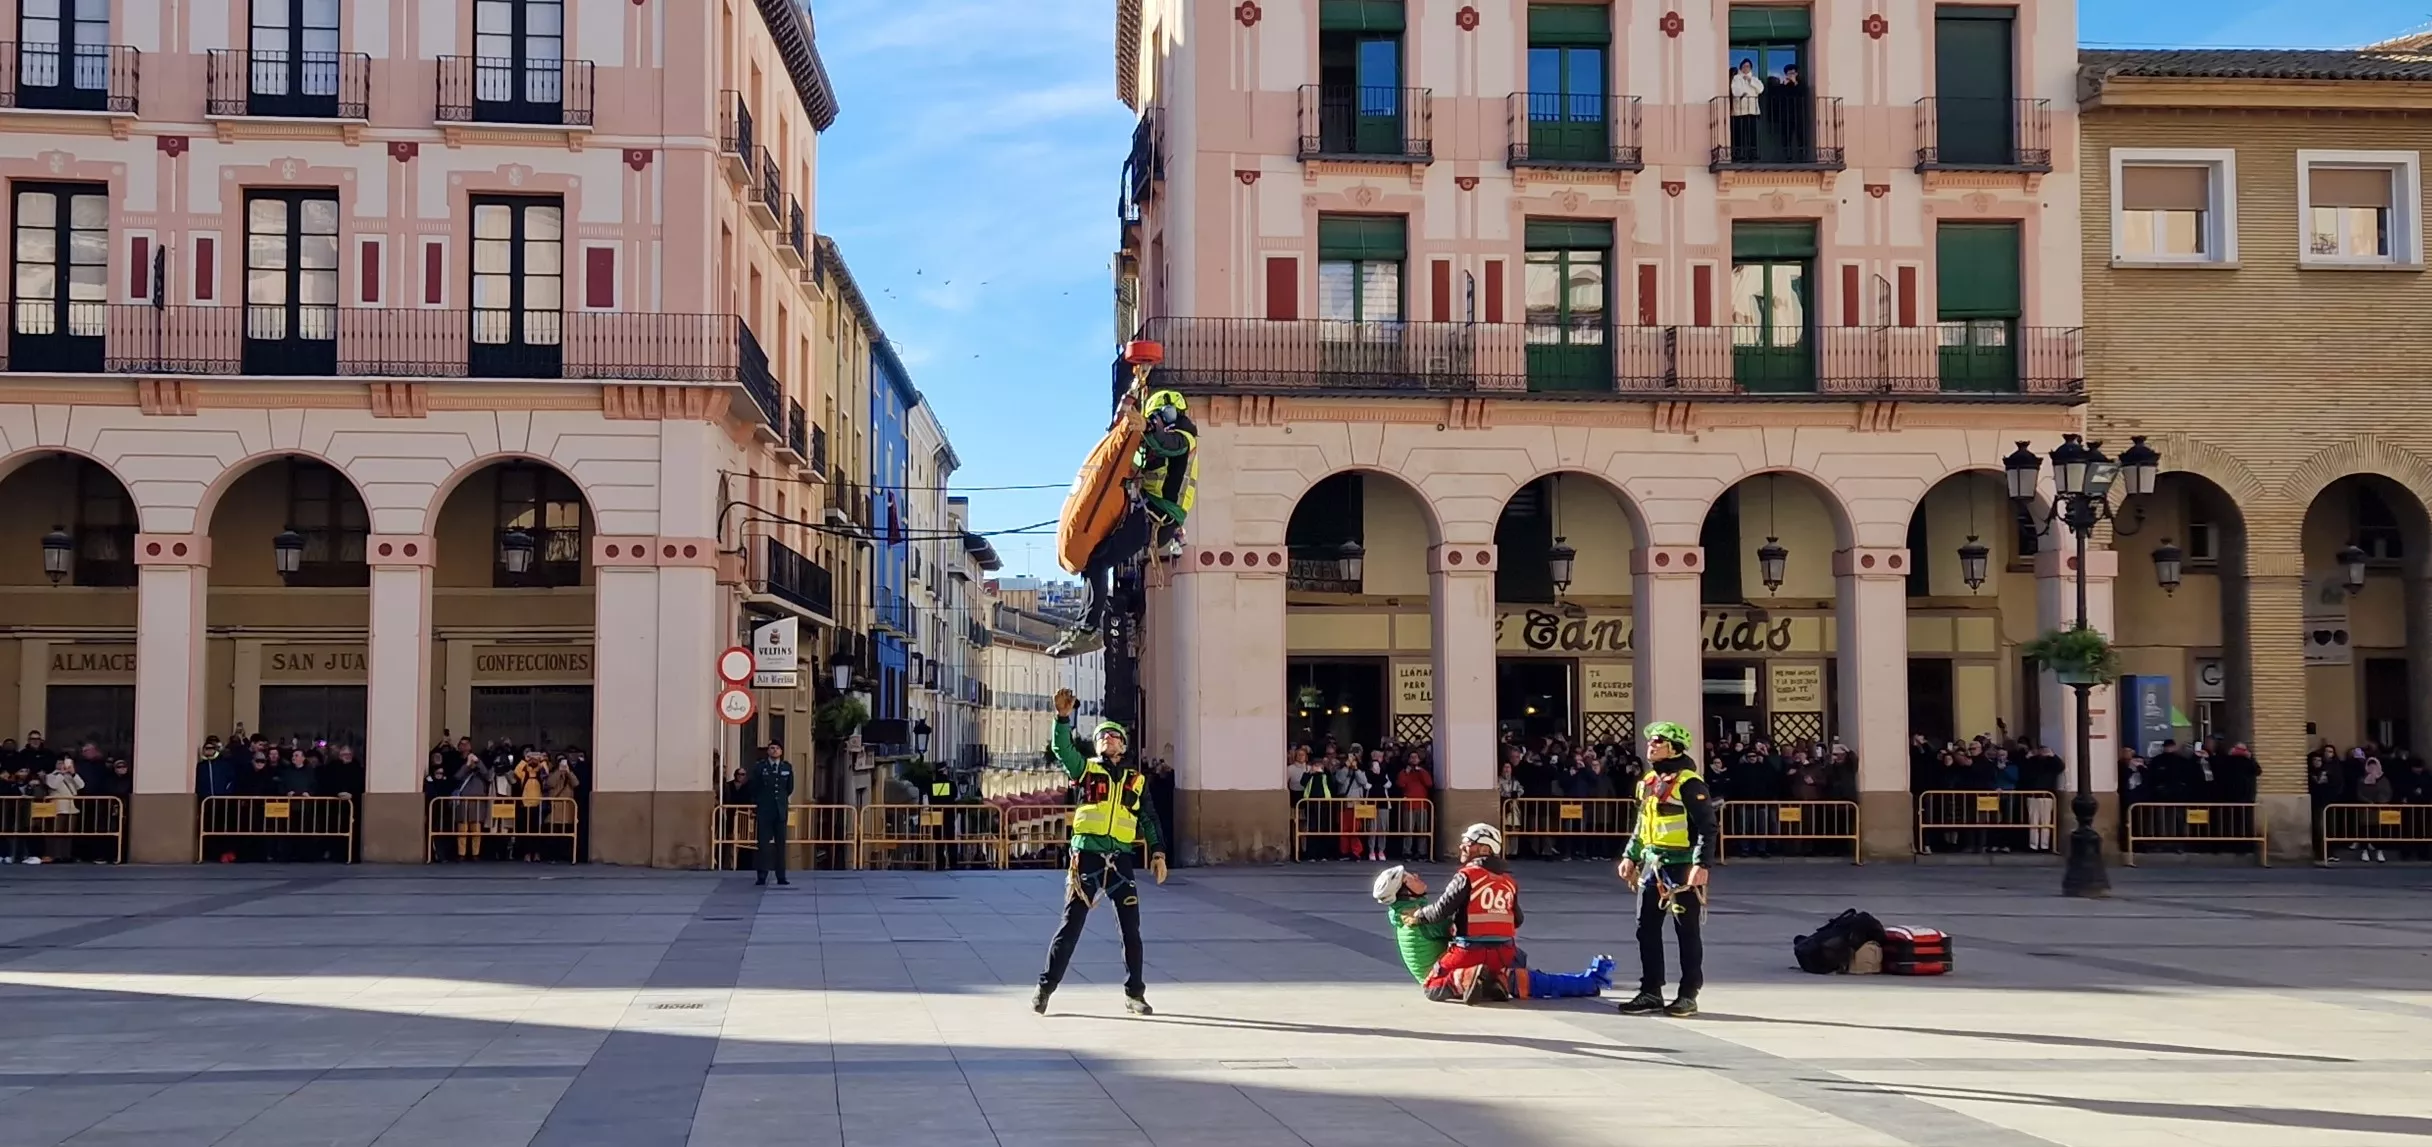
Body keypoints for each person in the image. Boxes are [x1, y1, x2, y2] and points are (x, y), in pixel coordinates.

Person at [1035, 687, 1167, 1015]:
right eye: (1102, 736)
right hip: (1087, 858)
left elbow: (1149, 818)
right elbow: (1062, 749)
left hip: (1120, 860)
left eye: (1114, 735)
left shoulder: (1136, 781)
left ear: (1123, 745)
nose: (1109, 738)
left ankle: (1135, 994)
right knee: (1071, 925)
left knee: (1131, 930)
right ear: (1096, 746)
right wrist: (1062, 718)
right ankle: (1045, 987)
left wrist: (1158, 853)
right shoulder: (1086, 771)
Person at [1374, 864, 1611, 1000]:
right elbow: (1462, 930)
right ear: (1404, 891)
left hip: (1447, 967)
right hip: (1446, 975)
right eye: (1409, 877)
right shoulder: (1418, 918)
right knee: (1529, 979)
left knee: (1521, 971)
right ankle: (1589, 982)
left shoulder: (1406, 913)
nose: (1416, 876)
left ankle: (1586, 981)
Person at [1616, 721, 1718, 1018]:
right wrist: (1630, 855)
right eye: (1651, 740)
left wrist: (1701, 864)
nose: (1651, 744)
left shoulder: (1689, 783)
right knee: (1645, 929)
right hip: (1653, 865)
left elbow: (1707, 827)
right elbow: (1642, 823)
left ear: (1674, 748)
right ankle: (1650, 991)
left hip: (1682, 866)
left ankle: (1688, 994)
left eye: (1658, 740)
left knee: (1687, 932)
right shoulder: (1649, 781)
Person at [1399, 824, 1526, 1004]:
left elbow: (1441, 910)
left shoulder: (1467, 875)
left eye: (1468, 842)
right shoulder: (1509, 882)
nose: (1461, 846)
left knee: (1432, 987)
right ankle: (1497, 979)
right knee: (1491, 970)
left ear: (1485, 849)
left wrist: (1418, 915)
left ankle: (1468, 976)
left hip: (1469, 950)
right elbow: (1518, 919)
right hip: (1504, 953)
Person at [751, 741, 795, 886]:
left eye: (777, 748)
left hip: (780, 811)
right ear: (768, 751)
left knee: (780, 845)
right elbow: (755, 787)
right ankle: (762, 875)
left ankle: (781, 876)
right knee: (763, 845)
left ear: (781, 752)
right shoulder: (760, 767)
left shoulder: (786, 767)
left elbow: (789, 788)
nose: (774, 750)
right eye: (772, 748)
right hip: (765, 810)